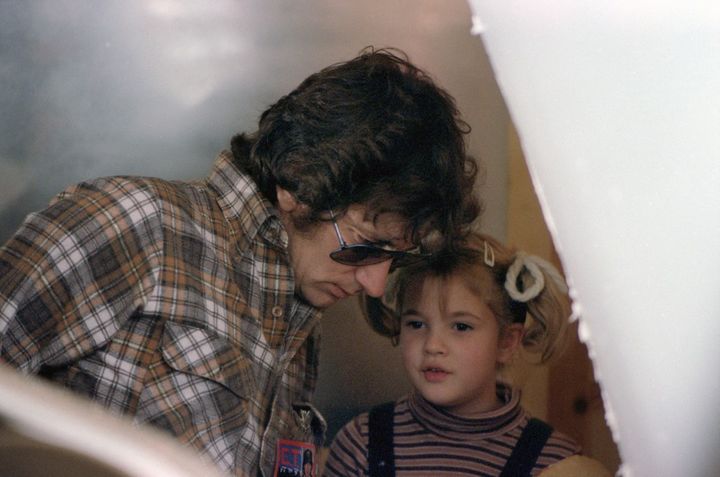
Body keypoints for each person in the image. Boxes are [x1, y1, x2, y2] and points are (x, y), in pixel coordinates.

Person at [0, 48, 480, 477]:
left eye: (393, 259)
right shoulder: (136, 222)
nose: (375, 285)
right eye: (363, 245)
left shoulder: (298, 318)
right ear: (297, 187)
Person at [324, 232, 599, 476]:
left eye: (461, 326)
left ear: (506, 342)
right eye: (416, 324)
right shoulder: (362, 442)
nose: (433, 345)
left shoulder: (554, 462)